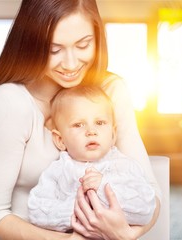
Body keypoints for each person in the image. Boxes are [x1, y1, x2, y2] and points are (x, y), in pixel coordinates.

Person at [0, 0, 161, 239]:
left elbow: (152, 193)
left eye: (83, 45)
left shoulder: (110, 91)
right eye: (54, 49)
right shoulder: (10, 102)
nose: (71, 64)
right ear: (32, 44)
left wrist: (125, 234)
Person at [28, 85, 156, 232]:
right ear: (60, 140)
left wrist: (103, 188)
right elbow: (36, 210)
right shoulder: (58, 170)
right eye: (78, 124)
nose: (91, 131)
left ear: (113, 135)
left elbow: (145, 209)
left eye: (100, 123)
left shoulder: (124, 166)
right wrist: (81, 211)